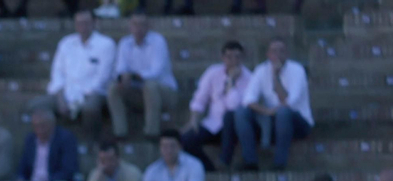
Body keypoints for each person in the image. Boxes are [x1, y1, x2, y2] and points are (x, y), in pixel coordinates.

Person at [235, 37, 311, 171]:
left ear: (287, 53)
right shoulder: (261, 70)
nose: (277, 54)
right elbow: (248, 100)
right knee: (241, 112)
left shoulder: (297, 70)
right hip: (272, 121)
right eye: (274, 51)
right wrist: (267, 111)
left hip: (297, 122)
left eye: (281, 51)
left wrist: (276, 77)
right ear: (268, 54)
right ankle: (250, 161)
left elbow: (288, 102)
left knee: (283, 113)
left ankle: (279, 163)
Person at [44, 9, 113, 141]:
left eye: (86, 22)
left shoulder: (106, 44)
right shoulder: (65, 43)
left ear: (94, 23)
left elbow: (102, 78)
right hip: (66, 93)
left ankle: (91, 143)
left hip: (93, 93)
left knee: (90, 108)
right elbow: (57, 73)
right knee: (38, 107)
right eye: (79, 23)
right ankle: (51, 144)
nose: (82, 26)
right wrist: (61, 98)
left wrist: (79, 100)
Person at [106, 11, 175, 139]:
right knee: (113, 88)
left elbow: (156, 71)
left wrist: (132, 76)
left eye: (142, 24)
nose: (138, 28)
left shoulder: (158, 41)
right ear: (130, 26)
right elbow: (120, 68)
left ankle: (151, 132)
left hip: (164, 92)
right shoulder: (125, 43)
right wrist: (123, 77)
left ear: (148, 26)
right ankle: (120, 133)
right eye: (135, 24)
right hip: (137, 91)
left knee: (150, 86)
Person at [181, 40, 248, 170]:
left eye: (237, 57)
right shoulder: (213, 72)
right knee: (186, 139)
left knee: (229, 117)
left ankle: (224, 162)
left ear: (242, 58)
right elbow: (200, 99)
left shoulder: (249, 78)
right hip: (213, 124)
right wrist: (194, 120)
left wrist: (231, 81)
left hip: (234, 128)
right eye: (229, 57)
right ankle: (209, 168)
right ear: (223, 58)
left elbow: (233, 106)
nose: (233, 61)